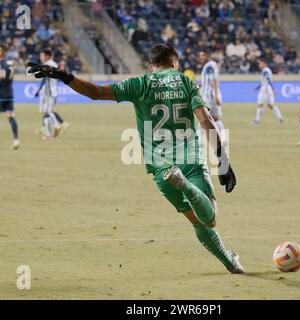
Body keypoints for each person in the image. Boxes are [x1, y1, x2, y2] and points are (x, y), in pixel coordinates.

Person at [27, 44, 244, 274]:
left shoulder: (140, 84)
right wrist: (222, 160)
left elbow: (97, 92)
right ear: (174, 63)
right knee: (209, 218)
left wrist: (64, 76)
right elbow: (206, 120)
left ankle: (230, 261)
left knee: (195, 221)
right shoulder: (186, 82)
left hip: (161, 170)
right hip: (190, 161)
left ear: (151, 66)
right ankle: (187, 186)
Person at [34, 49, 69, 139]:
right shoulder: (54, 64)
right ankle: (48, 134)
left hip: (47, 92)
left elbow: (44, 78)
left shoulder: (47, 64)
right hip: (53, 91)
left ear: (47, 56)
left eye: (42, 56)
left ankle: (56, 125)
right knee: (45, 112)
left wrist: (39, 89)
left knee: (47, 111)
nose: (40, 57)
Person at [199, 50, 227, 146]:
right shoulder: (212, 65)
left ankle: (199, 142)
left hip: (208, 96)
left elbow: (213, 80)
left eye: (202, 55)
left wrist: (216, 95)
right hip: (213, 95)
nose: (200, 58)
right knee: (215, 118)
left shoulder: (209, 66)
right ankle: (223, 138)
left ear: (207, 55)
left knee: (202, 117)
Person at [252, 58, 283, 124]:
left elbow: (268, 80)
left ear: (264, 63)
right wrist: (257, 88)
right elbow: (264, 81)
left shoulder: (265, 71)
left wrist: (273, 89)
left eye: (260, 63)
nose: (259, 65)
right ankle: (280, 117)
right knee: (270, 105)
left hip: (265, 90)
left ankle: (257, 120)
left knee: (260, 104)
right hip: (267, 89)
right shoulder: (267, 70)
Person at [0, 44, 19, 150]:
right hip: (9, 94)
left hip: (1, 94)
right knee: (10, 117)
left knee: (10, 116)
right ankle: (16, 139)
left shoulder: (2, 63)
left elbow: (1, 76)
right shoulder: (9, 63)